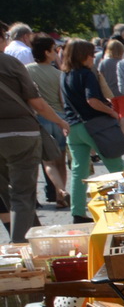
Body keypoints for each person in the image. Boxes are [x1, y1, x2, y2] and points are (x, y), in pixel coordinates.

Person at [1, 48, 66, 242]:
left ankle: (37, 238)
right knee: (22, 194)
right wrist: (60, 122)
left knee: (7, 193)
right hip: (21, 133)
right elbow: (37, 103)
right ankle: (19, 246)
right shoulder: (10, 63)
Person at [59, 40, 119, 224]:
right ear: (84, 56)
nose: (93, 57)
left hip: (73, 126)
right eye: (91, 54)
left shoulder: (64, 74)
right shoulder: (87, 74)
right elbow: (92, 100)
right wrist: (111, 112)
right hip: (93, 125)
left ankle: (77, 212)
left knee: (79, 171)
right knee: (116, 167)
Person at [25, 37, 67, 208]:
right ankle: (60, 196)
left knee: (47, 162)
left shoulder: (27, 70)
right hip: (58, 118)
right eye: (53, 49)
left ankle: (58, 188)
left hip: (39, 119)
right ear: (47, 52)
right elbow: (62, 99)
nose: (56, 53)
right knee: (61, 160)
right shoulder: (58, 74)